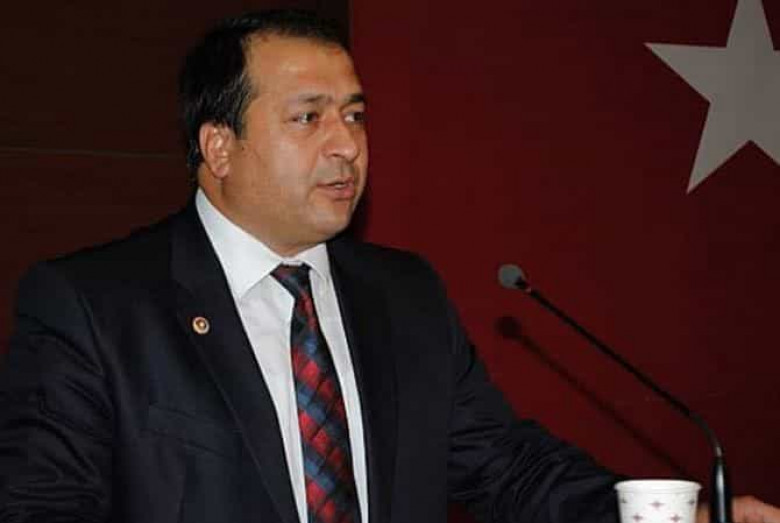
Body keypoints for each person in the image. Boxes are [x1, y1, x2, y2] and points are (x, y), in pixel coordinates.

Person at [0, 9, 777, 523]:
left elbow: (507, 468)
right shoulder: (94, 307)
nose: (346, 144)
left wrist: (676, 515)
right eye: (309, 117)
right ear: (219, 147)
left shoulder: (404, 295)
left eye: (355, 115)